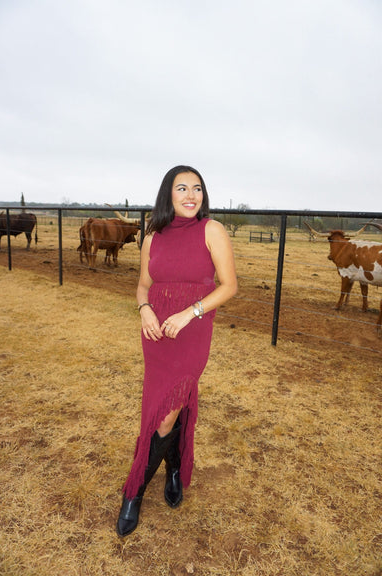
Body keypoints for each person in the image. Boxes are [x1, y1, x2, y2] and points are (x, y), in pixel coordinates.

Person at [116, 165, 238, 537]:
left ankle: (133, 491)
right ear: (167, 194)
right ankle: (173, 468)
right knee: (169, 404)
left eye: (197, 189)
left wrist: (191, 311)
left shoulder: (212, 230)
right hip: (156, 334)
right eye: (182, 188)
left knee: (166, 413)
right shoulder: (153, 236)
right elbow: (142, 286)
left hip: (192, 329)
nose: (190, 195)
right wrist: (145, 310)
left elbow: (229, 286)